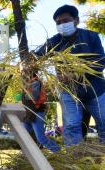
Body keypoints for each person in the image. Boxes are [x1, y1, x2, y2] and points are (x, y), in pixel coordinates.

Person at [36, 5, 105, 147]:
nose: (62, 25)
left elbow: (100, 62)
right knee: (72, 125)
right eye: (58, 23)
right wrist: (27, 63)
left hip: (96, 90)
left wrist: (77, 75)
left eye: (65, 21)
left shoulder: (91, 37)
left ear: (76, 20)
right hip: (68, 92)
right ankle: (75, 157)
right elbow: (36, 56)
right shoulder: (54, 42)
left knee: (104, 121)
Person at [17, 63, 61, 153]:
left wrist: (22, 97)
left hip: (36, 112)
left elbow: (35, 96)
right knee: (23, 137)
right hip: (29, 113)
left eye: (23, 71)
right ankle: (24, 156)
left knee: (41, 138)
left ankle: (58, 152)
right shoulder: (28, 82)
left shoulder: (35, 82)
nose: (22, 74)